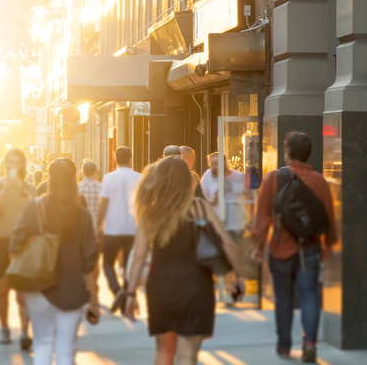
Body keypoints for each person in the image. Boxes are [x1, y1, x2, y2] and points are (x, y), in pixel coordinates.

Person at [124, 156, 244, 365]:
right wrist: (237, 276)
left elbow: (138, 257)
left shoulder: (151, 212)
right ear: (186, 181)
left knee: (164, 352)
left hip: (160, 289)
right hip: (196, 288)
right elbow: (227, 244)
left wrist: (131, 293)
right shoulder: (200, 208)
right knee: (188, 357)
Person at [251, 132, 337, 363]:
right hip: (309, 247)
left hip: (280, 246)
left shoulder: (273, 179)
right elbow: (327, 216)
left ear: (287, 152)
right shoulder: (319, 180)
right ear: (308, 153)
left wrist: (257, 245)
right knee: (310, 294)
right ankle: (309, 343)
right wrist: (328, 243)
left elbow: (261, 217)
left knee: (283, 298)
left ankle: (284, 344)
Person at [10, 159, 99, 365]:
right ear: (73, 181)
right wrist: (93, 298)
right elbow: (89, 263)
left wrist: (20, 288)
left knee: (42, 344)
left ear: (49, 180)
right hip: (72, 291)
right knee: (65, 349)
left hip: (38, 288)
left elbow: (15, 243)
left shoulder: (35, 208)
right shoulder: (82, 216)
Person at [0, 148, 35, 348]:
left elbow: (35, 213)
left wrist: (20, 189)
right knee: (2, 289)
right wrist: (6, 189)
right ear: (5, 164)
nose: (14, 166)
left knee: (23, 290)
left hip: (23, 243)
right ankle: (5, 328)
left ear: (23, 165)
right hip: (1, 241)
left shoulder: (30, 187)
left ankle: (25, 331)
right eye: (11, 162)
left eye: (18, 162)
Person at [97, 146, 141, 313]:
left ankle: (117, 290)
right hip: (133, 228)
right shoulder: (139, 178)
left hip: (112, 229)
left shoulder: (109, 178)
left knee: (108, 263)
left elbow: (103, 205)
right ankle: (127, 298)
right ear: (131, 158)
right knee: (130, 265)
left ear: (115, 159)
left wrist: (98, 225)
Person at [200, 153, 247, 304]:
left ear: (226, 163)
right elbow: (203, 198)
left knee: (233, 257)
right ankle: (229, 288)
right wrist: (214, 198)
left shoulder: (240, 176)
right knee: (223, 258)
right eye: (212, 164)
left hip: (236, 224)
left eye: (218, 163)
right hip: (217, 225)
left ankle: (232, 287)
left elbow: (250, 196)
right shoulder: (208, 176)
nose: (215, 167)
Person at [77, 161, 102, 234]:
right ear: (95, 172)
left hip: (81, 229)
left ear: (83, 173)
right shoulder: (102, 188)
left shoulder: (77, 188)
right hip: (97, 229)